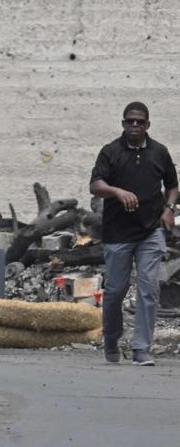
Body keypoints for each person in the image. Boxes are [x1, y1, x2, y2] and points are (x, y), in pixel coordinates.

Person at [90, 102, 178, 365]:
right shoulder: (110, 152)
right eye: (130, 121)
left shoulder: (159, 152)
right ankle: (112, 338)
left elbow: (172, 186)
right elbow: (95, 185)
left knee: (149, 288)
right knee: (116, 290)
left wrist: (169, 209)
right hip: (117, 234)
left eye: (140, 121)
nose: (135, 125)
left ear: (148, 125)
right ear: (123, 124)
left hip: (150, 232)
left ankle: (142, 348)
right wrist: (116, 191)